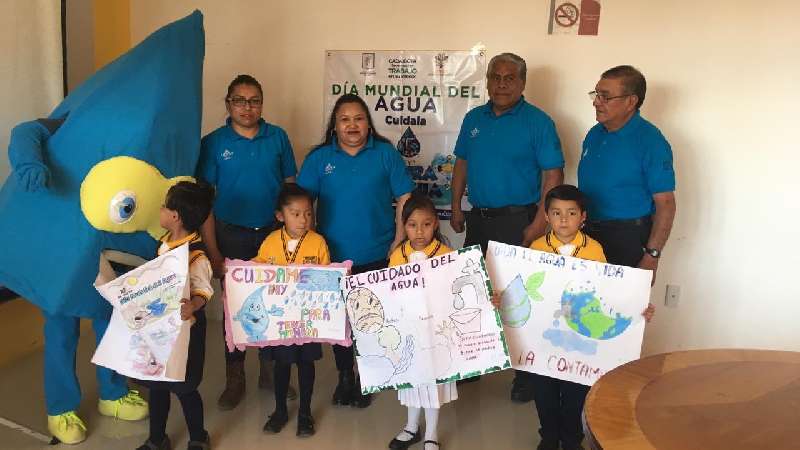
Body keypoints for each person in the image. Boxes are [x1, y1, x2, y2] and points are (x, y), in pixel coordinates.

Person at [496, 184, 655, 450]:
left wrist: (636, 309)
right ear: (546, 216)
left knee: (575, 393)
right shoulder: (535, 249)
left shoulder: (595, 250)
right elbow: (521, 289)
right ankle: (548, 437)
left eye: (571, 213)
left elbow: (607, 295)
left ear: (583, 217)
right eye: (556, 213)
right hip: (542, 340)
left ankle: (571, 439)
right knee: (544, 393)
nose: (563, 219)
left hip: (580, 343)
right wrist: (501, 298)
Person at [450, 52, 565, 402]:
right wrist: (456, 206)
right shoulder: (473, 118)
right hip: (478, 219)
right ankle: (474, 362)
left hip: (519, 220)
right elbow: (461, 164)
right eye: (495, 77)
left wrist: (539, 223)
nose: (501, 84)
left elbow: (553, 175)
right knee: (473, 293)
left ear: (522, 83)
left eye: (509, 78)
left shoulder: (539, 122)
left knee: (518, 301)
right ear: (486, 81)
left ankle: (523, 374)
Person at [297, 93, 415, 408]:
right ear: (334, 126)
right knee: (341, 323)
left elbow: (405, 197)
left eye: (359, 118)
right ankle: (344, 377)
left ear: (368, 123)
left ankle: (366, 377)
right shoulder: (320, 159)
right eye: (344, 119)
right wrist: (306, 247)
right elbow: (300, 205)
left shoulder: (385, 154)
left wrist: (398, 240)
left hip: (377, 251)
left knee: (370, 320)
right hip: (331, 257)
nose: (352, 125)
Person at [196, 74, 298, 410]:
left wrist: (293, 240)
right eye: (239, 100)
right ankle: (234, 377)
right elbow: (205, 205)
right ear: (228, 104)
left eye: (254, 100)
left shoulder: (278, 138)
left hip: (272, 234)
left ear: (262, 104)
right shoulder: (213, 143)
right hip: (231, 235)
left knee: (273, 305)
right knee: (234, 310)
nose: (247, 107)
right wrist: (213, 253)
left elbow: (291, 192)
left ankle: (269, 373)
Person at [135, 180, 215, 450]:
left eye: (163, 206)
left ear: (174, 216)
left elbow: (204, 290)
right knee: (157, 385)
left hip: (187, 330)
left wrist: (192, 306)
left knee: (185, 387)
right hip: (160, 329)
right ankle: (157, 439)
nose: (160, 210)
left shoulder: (196, 255)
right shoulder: (163, 244)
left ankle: (198, 438)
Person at [578, 65, 676, 279]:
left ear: (631, 101)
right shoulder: (594, 134)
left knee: (620, 307)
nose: (596, 102)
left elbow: (666, 204)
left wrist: (652, 255)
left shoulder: (651, 142)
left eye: (605, 96)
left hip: (626, 238)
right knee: (583, 304)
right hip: (587, 234)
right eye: (596, 94)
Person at [254, 183, 329, 437]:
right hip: (279, 320)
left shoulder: (318, 242)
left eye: (308, 213)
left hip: (307, 319)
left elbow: (326, 275)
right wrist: (238, 273)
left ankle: (305, 412)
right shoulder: (270, 242)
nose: (303, 219)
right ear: (280, 216)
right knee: (281, 365)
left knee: (306, 363)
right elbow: (257, 270)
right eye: (295, 214)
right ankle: (280, 410)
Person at [387, 193, 456, 450]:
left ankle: (432, 434)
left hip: (436, 332)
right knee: (411, 380)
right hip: (409, 331)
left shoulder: (446, 255)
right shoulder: (397, 256)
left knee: (433, 382)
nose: (419, 231)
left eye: (426, 224)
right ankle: (411, 427)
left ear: (436, 224)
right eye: (412, 225)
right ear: (403, 226)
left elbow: (453, 292)